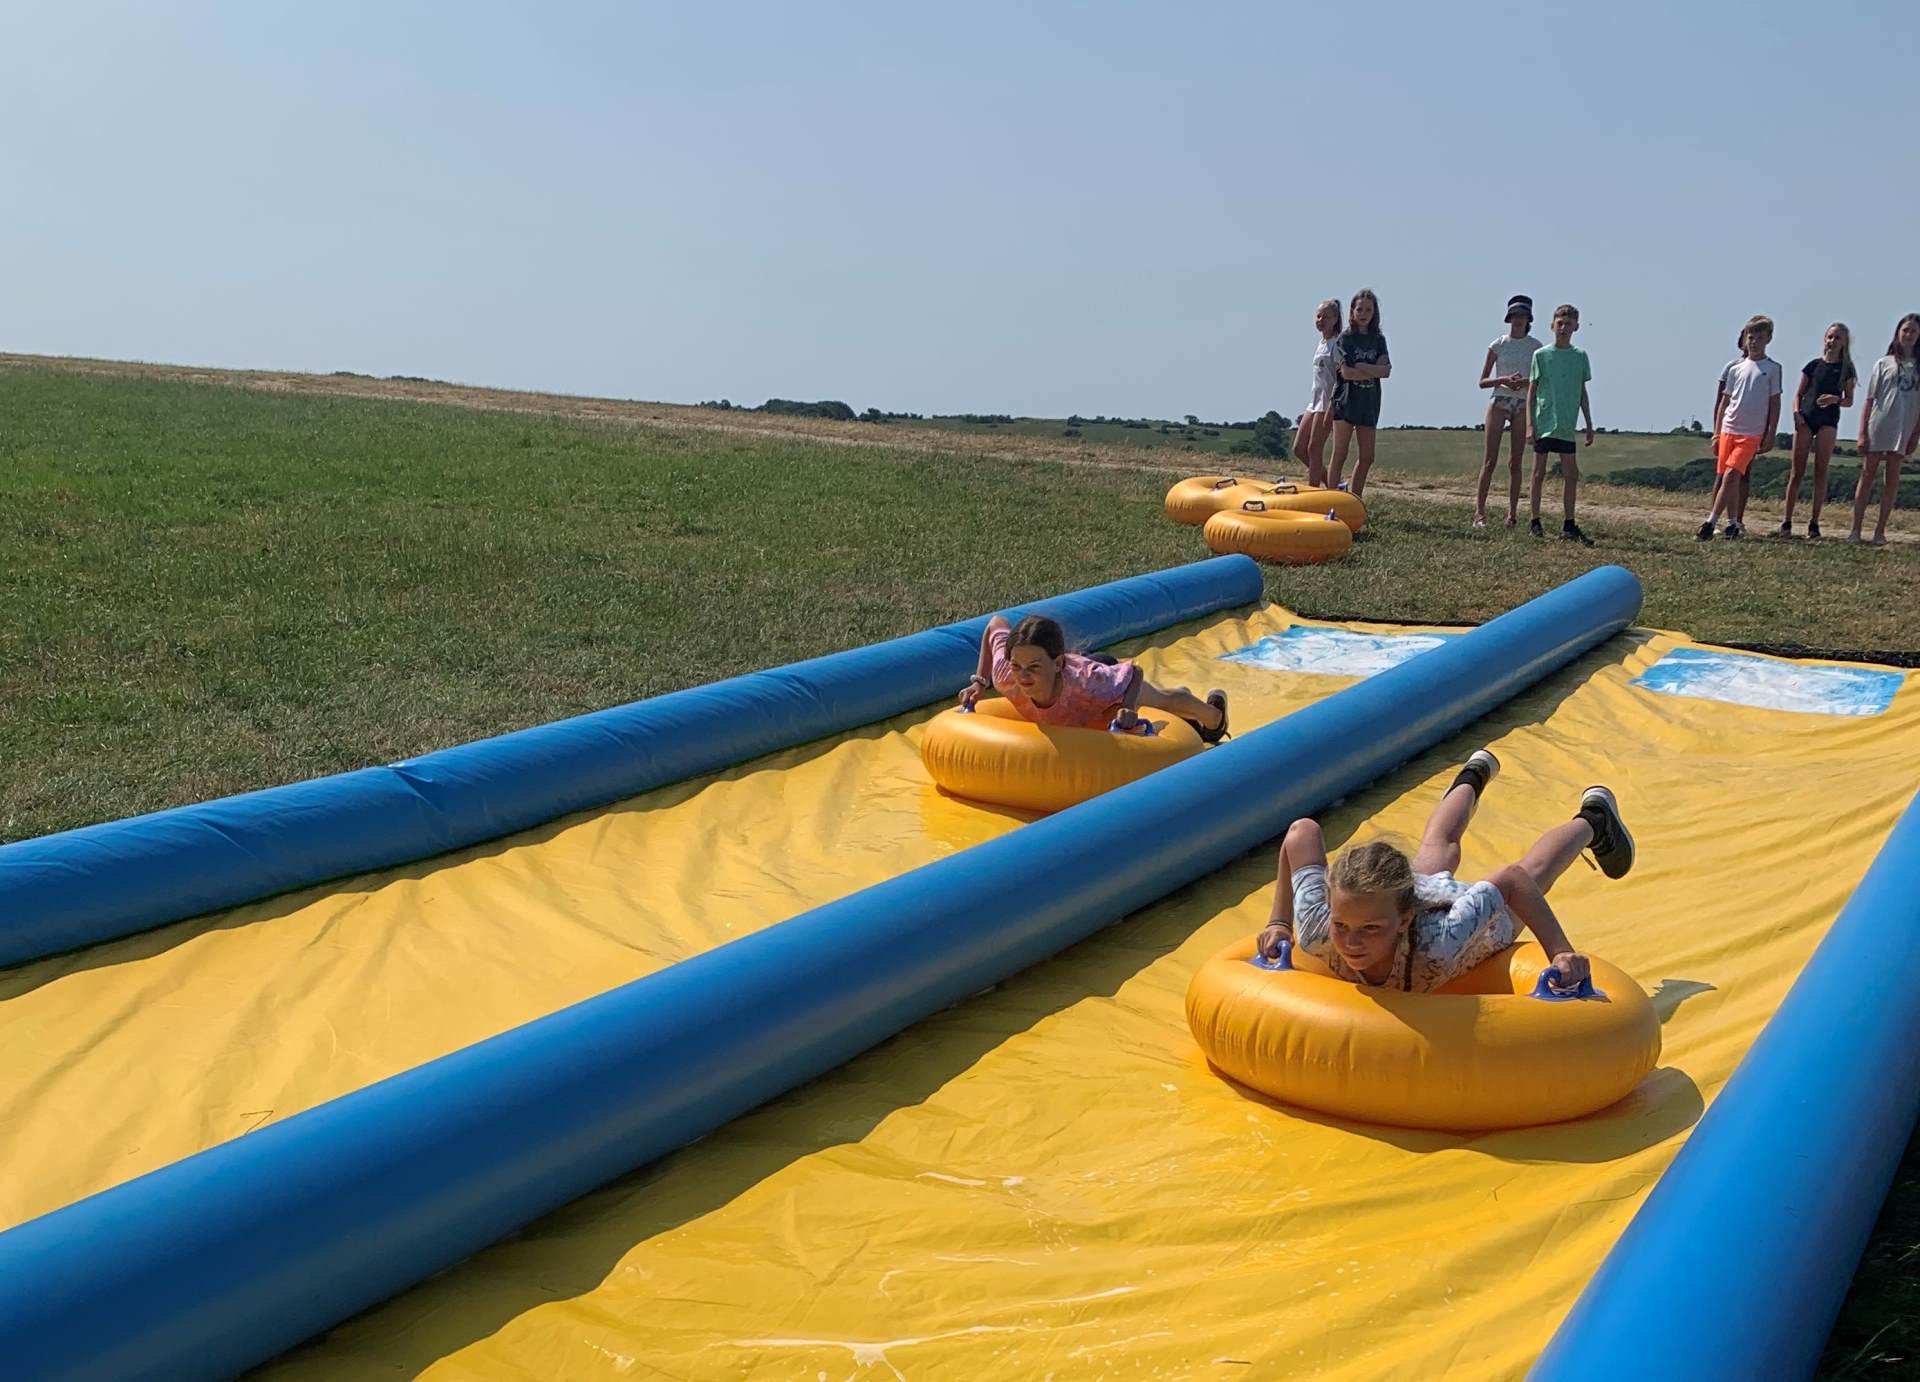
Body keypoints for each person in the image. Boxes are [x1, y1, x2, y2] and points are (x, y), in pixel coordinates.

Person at [1255, 750, 1634, 995]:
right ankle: (1473, 773)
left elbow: (1512, 879)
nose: (1351, 942)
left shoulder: (1442, 941)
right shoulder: (1318, 929)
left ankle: (1594, 821)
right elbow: (1302, 832)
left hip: (1476, 928)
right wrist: (1280, 922)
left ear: (1404, 919)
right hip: (1415, 897)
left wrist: (1560, 951)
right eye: (1342, 925)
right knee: (1437, 848)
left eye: (1369, 929)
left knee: (1535, 872)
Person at [960, 613, 1228, 741]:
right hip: (1078, 689)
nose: (1023, 675)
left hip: (1101, 673)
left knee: (1161, 699)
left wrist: (1128, 707)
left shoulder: (1086, 682)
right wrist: (979, 682)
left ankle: (1214, 716)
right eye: (1017, 665)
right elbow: (995, 623)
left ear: (1057, 663)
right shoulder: (1006, 674)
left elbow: (1134, 672)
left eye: (1034, 667)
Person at [1697, 316, 1783, 541]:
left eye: (1760, 338)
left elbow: (1775, 403)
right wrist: (1717, 433)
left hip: (1751, 433)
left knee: (1732, 474)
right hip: (1729, 428)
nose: (1754, 342)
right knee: (1726, 477)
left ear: (1768, 339)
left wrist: (1771, 433)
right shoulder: (1735, 369)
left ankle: (1710, 522)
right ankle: (1733, 523)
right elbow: (1724, 402)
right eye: (1751, 337)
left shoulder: (1773, 369)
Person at [1525, 304, 1596, 542]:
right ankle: (1535, 521)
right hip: (1544, 420)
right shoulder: (1541, 355)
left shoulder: (1580, 357)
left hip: (1566, 423)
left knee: (1571, 474)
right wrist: (1530, 424)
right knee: (1538, 473)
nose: (1563, 328)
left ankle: (1569, 524)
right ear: (1552, 325)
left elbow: (1581, 391)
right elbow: (1532, 391)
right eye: (1560, 323)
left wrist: (1588, 423)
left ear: (1576, 327)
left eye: (1568, 324)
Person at [1848, 313, 1920, 547]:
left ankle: (1880, 531)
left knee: (1892, 479)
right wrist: (1862, 432)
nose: (1908, 335)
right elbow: (1870, 400)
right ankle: (1856, 529)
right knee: (1867, 474)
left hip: (1904, 428)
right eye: (1905, 330)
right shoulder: (1883, 363)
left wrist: (1915, 436)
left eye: (1913, 331)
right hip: (1879, 424)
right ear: (1898, 333)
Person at [1780, 323, 1857, 538]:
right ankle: (1786, 521)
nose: (1832, 341)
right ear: (1824, 339)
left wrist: (1835, 399)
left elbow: (1849, 400)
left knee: (1820, 472)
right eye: (1830, 337)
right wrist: (1796, 413)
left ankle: (1814, 522)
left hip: (1828, 421)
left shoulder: (1846, 369)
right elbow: (1798, 394)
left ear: (1844, 343)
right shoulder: (1813, 366)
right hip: (1806, 418)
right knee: (1797, 472)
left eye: (1837, 338)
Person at [1474, 295, 1541, 530]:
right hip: (1500, 400)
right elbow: (1482, 381)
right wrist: (1503, 380)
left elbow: (1540, 380)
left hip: (1523, 403)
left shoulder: (1536, 348)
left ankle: (1512, 514)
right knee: (1489, 460)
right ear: (1509, 318)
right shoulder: (1498, 344)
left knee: (1516, 461)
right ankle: (1479, 513)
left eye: (1522, 315)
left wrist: (1524, 382)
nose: (1518, 320)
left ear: (1528, 319)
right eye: (1515, 315)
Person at [1325, 289, 1391, 498]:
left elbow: (1386, 371)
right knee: (1340, 454)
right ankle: (1332, 498)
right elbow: (1347, 373)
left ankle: (1355, 498)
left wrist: (1362, 366)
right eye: (1359, 309)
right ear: (1352, 311)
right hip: (1346, 401)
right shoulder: (1345, 339)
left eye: (1368, 310)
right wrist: (1372, 369)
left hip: (1369, 402)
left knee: (1367, 456)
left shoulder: (1378, 340)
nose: (1364, 314)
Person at [1296, 299, 1343, 487]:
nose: (1321, 320)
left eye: (1326, 317)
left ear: (1335, 319)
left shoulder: (1336, 344)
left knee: (1314, 449)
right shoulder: (1321, 343)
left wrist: (1333, 404)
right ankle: (1333, 484)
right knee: (1299, 448)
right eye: (1318, 316)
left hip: (1327, 402)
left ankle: (1313, 490)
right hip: (1314, 402)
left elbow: (1341, 377)